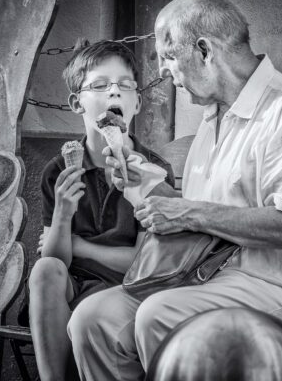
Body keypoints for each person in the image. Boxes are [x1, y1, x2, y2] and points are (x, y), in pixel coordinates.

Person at [67, 0, 282, 381]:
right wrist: (138, 180)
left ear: (204, 51)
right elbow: (201, 215)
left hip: (281, 291)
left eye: (169, 55)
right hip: (202, 278)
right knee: (92, 319)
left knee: (158, 314)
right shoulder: (213, 117)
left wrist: (187, 211)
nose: (163, 70)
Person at [28, 39, 174, 381]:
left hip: (130, 291)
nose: (114, 94)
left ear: (136, 102)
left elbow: (144, 264)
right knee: (45, 270)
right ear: (77, 103)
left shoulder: (153, 171)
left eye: (125, 85)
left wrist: (80, 246)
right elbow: (54, 261)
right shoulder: (58, 172)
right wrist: (63, 214)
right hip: (73, 286)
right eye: (100, 85)